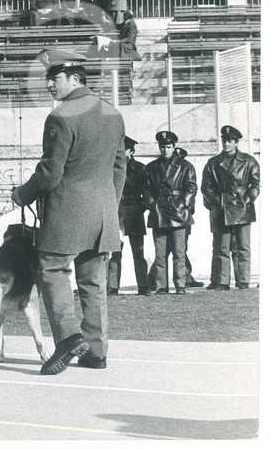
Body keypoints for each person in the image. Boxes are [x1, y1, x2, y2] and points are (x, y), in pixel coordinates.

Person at [10, 49, 126, 374]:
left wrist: (22, 194)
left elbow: (50, 173)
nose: (49, 84)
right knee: (93, 284)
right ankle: (97, 352)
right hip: (103, 216)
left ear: (75, 77)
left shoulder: (60, 117)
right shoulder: (113, 113)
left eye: (54, 77)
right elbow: (120, 168)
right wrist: (109, 206)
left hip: (66, 216)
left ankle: (69, 339)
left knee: (52, 271)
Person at [201, 125, 260, 290]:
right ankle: (223, 281)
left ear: (236, 142)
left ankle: (243, 281)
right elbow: (206, 187)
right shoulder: (213, 163)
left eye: (230, 141)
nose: (226, 144)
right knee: (222, 247)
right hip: (222, 209)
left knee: (243, 247)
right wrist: (217, 202)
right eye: (224, 140)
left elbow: (255, 184)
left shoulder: (248, 161)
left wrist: (247, 200)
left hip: (242, 209)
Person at [144, 131, 197, 295]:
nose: (165, 150)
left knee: (179, 252)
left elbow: (191, 188)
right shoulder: (151, 167)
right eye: (162, 147)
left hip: (178, 213)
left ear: (174, 147)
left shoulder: (185, 166)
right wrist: (151, 203)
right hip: (159, 212)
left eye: (168, 147)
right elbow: (146, 189)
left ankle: (180, 284)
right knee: (160, 253)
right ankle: (161, 285)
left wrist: (183, 204)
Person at [107, 137, 150, 295]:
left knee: (138, 252)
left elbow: (146, 192)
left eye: (124, 149)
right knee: (115, 252)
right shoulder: (110, 168)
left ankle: (143, 285)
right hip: (117, 213)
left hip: (135, 214)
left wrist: (141, 207)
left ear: (131, 151)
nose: (121, 152)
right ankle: (112, 286)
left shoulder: (140, 169)